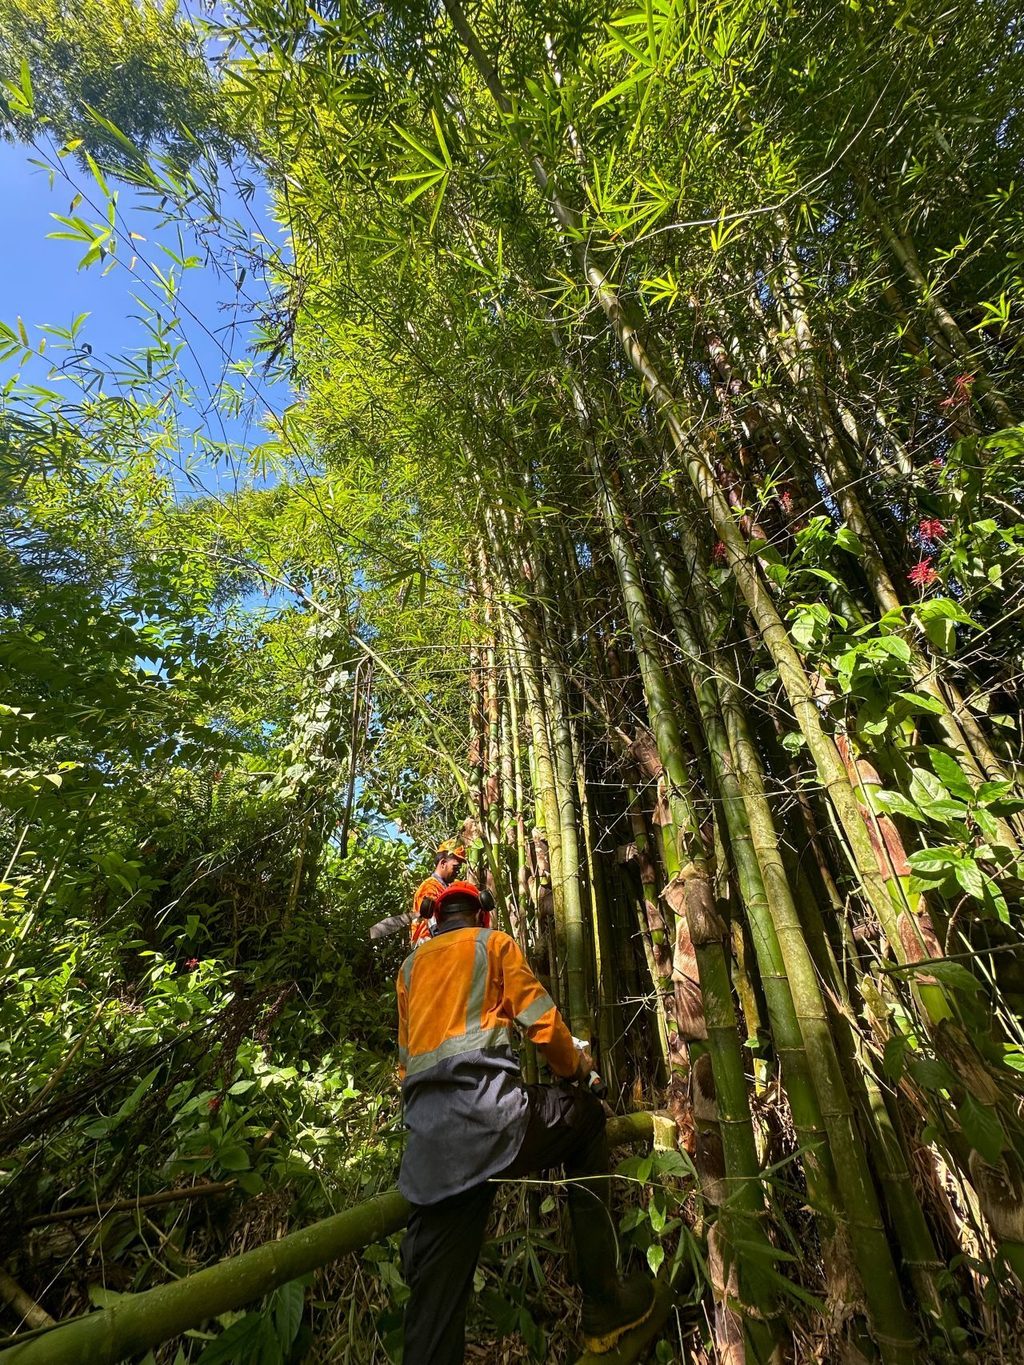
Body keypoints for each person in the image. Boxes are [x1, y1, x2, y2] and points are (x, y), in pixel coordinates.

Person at [396, 880, 654, 1363]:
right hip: (496, 1122)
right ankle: (603, 1304)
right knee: (589, 1119)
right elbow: (542, 1024)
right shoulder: (493, 945)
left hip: (431, 1151)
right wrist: (577, 1068)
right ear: (483, 916)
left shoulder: (409, 969)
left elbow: (407, 1065)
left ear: (437, 919)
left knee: (432, 1323)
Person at [409, 839, 467, 946]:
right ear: (443, 863)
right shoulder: (429, 887)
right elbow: (432, 924)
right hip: (426, 944)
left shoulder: (444, 888)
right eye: (455, 867)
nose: (458, 871)